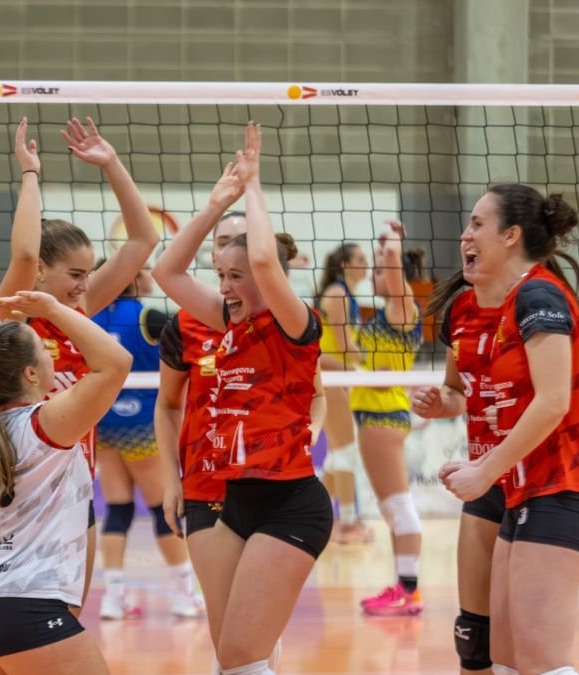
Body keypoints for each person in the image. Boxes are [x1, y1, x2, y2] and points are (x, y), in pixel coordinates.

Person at [153, 123, 328, 675]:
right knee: (234, 658)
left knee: (243, 657)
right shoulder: (223, 322)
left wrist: (253, 185)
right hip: (230, 498)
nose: (225, 287)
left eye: (236, 277)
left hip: (289, 502)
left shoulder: (294, 324)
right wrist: (213, 206)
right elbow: (166, 271)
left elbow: (264, 263)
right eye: (220, 276)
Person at [418, 184, 579, 675]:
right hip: (517, 489)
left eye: (477, 224)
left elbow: (556, 401)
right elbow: (463, 391)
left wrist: (483, 470)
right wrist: (445, 404)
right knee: (498, 659)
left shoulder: (539, 296)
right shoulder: (466, 311)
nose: (465, 234)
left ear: (510, 235)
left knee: (541, 664)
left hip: (560, 490)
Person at [0, 116, 160, 609]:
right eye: (75, 274)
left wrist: (111, 165)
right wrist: (30, 174)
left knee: (68, 615)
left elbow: (142, 243)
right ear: (40, 273)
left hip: (75, 487)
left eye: (90, 273)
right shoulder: (8, 311)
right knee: (17, 615)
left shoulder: (77, 312)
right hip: (18, 492)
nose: (86, 284)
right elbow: (23, 252)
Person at [0, 289, 131, 675]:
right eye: (43, 348)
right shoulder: (45, 426)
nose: (50, 352)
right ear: (30, 373)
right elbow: (115, 363)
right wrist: (54, 308)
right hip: (25, 608)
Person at [91, 269, 204, 620]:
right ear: (131, 279)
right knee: (161, 509)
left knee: (118, 509)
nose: (149, 274)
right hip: (141, 424)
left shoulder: (88, 316)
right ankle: (186, 595)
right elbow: (198, 331)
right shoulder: (147, 316)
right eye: (142, 270)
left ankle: (112, 598)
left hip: (102, 422)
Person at [352, 222, 426, 616]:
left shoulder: (402, 307)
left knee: (398, 506)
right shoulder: (384, 313)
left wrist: (389, 241)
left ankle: (409, 588)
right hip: (373, 414)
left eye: (379, 269)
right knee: (390, 508)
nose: (375, 274)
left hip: (383, 415)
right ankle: (403, 586)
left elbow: (395, 263)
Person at [314, 243, 372, 544]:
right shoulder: (337, 294)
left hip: (338, 376)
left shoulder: (346, 295)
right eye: (361, 259)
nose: (367, 264)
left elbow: (348, 348)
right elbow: (340, 347)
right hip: (329, 376)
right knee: (346, 451)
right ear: (345, 264)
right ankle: (347, 524)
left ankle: (316, 519)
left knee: (339, 454)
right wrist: (371, 360)